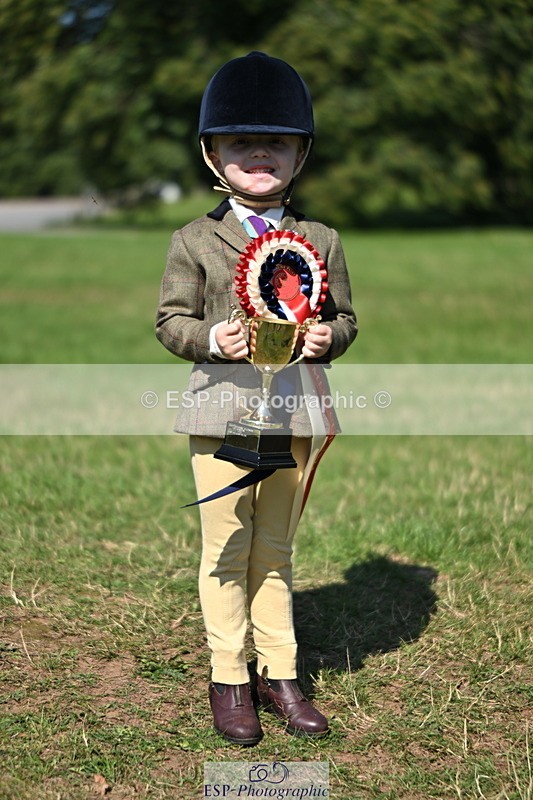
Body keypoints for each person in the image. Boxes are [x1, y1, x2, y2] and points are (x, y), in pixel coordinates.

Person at [156, 51, 357, 746]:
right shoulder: (193, 240)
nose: (259, 153)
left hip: (293, 415)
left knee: (274, 548)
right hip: (221, 415)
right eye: (241, 141)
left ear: (300, 153)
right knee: (227, 545)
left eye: (275, 141)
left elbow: (347, 318)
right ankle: (228, 677)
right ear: (212, 154)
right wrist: (214, 337)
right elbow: (169, 322)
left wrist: (329, 337)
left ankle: (280, 672)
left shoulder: (320, 239)